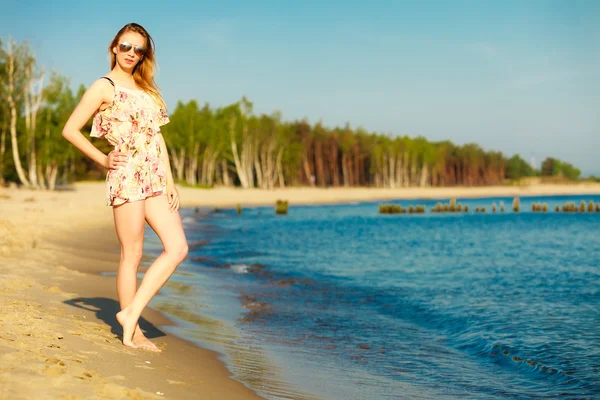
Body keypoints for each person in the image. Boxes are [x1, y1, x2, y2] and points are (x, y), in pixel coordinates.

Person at [62, 22, 188, 352]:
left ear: (145, 54)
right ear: (114, 48)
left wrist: (171, 181)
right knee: (131, 254)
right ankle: (132, 332)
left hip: (156, 177)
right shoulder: (103, 87)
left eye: (139, 49)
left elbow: (157, 137)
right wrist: (103, 160)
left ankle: (130, 313)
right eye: (126, 46)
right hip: (127, 174)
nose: (131, 53)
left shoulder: (148, 89)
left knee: (177, 248)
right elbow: (71, 130)